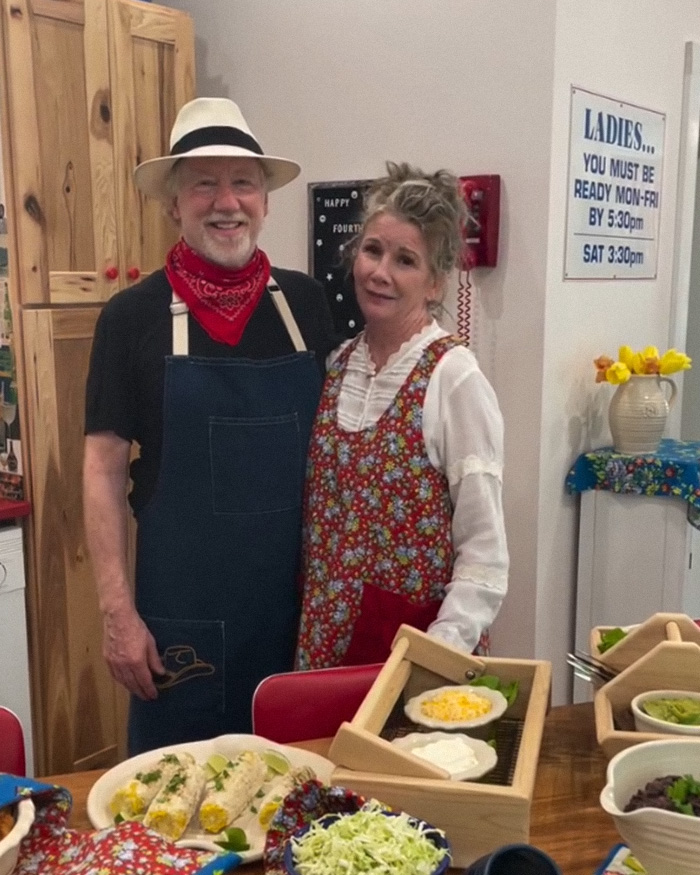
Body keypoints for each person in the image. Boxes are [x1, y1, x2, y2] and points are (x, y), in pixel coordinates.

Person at [83, 97, 336, 753]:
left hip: (297, 622)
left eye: (243, 181)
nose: (227, 201)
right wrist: (117, 613)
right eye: (205, 183)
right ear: (174, 202)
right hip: (181, 630)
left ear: (265, 199)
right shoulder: (129, 318)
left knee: (299, 808)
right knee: (174, 811)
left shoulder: (306, 305)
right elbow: (103, 469)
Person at [296, 162, 508, 669]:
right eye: (372, 250)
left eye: (405, 260)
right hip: (325, 646)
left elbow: (484, 553)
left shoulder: (452, 378)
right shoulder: (337, 364)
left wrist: (438, 653)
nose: (380, 273)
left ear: (435, 283)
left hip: (414, 650)